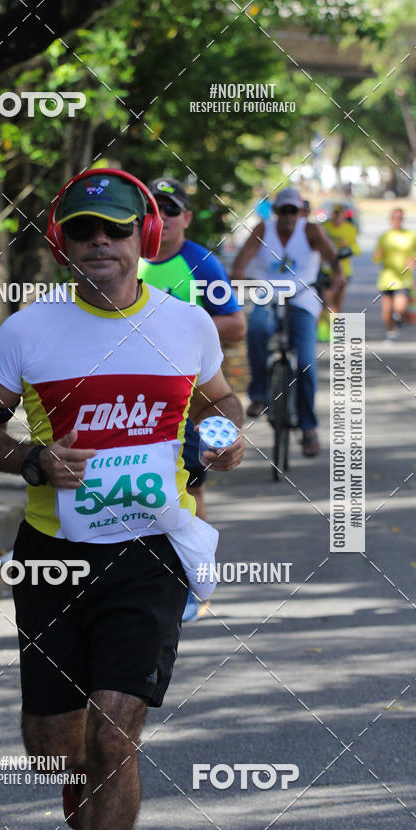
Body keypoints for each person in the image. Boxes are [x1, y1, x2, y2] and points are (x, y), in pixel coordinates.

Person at [0, 168, 246, 830]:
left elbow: (222, 403)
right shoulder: (29, 331)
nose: (100, 242)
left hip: (151, 549)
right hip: (53, 554)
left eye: (115, 228)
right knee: (57, 750)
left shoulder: (186, 322)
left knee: (115, 733)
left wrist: (224, 437)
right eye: (83, 230)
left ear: (142, 236)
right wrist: (32, 459)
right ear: (63, 243)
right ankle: (77, 779)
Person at [138, 177, 245, 620]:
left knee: (188, 485)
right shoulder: (126, 259)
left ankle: (190, 580)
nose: (161, 218)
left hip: (181, 393)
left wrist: (176, 330)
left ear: (185, 218)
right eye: (153, 210)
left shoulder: (200, 262)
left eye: (171, 210)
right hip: (121, 392)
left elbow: (236, 325)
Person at [231, 186, 346, 458]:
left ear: (301, 212)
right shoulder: (263, 230)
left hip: (303, 297)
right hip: (267, 294)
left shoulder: (311, 231)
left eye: (293, 211)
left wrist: (337, 275)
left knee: (306, 362)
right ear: (276, 211)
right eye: (284, 211)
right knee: (257, 329)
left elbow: (333, 259)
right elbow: (241, 262)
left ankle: (308, 428)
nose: (288, 217)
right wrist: (238, 276)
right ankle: (259, 393)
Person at [373, 208, 416, 342]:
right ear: (391, 219)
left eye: (400, 217)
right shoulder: (385, 236)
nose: (397, 220)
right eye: (395, 217)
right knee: (386, 312)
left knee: (399, 307)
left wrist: (414, 260)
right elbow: (376, 257)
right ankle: (391, 332)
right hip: (387, 277)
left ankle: (400, 316)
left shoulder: (410, 235)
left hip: (403, 278)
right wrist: (378, 254)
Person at [317, 202, 360, 341]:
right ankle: (322, 326)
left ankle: (334, 330)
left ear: (343, 216)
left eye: (339, 214)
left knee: (337, 301)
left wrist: (346, 248)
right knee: (326, 298)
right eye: (334, 214)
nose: (336, 217)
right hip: (327, 270)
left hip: (344, 271)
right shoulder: (325, 227)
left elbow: (356, 249)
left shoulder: (350, 229)